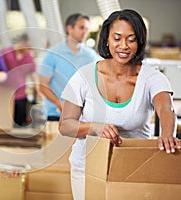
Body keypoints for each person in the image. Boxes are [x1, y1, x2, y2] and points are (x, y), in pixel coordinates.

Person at [58, 9, 181, 200]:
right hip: (87, 169)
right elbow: (65, 125)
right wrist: (94, 127)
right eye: (117, 38)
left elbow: (166, 108)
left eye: (131, 39)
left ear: (139, 41)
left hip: (134, 170)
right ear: (106, 39)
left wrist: (167, 134)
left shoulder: (152, 78)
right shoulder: (84, 75)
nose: (123, 46)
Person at [39, 13, 99, 121]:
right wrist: (59, 104)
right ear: (69, 28)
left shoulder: (91, 56)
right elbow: (42, 85)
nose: (85, 32)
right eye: (81, 28)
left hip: (82, 117)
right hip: (55, 115)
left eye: (86, 28)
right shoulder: (53, 54)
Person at [1, 33, 37, 127]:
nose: (29, 50)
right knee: (4, 124)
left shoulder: (29, 58)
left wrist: (40, 90)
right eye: (28, 47)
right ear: (22, 42)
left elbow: (34, 75)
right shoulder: (5, 53)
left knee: (19, 125)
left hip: (21, 96)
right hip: (5, 95)